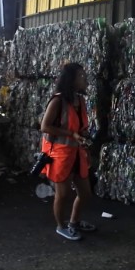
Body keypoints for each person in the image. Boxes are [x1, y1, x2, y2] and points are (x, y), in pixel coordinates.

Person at [40, 62, 96, 241]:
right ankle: (61, 226)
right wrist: (71, 134)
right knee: (62, 194)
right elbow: (45, 126)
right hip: (60, 154)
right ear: (71, 79)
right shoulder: (57, 101)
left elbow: (79, 126)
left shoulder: (80, 101)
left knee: (85, 192)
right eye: (81, 75)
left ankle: (74, 222)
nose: (85, 78)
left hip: (77, 153)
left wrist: (83, 135)